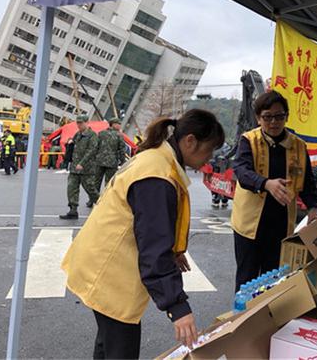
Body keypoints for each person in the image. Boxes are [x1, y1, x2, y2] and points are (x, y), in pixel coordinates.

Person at [61, 109, 225, 359]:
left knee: (108, 344)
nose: (209, 157)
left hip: (100, 262)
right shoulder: (158, 175)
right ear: (190, 141)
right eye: (209, 149)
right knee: (120, 349)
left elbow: (154, 232)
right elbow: (153, 245)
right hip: (110, 272)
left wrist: (173, 253)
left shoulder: (157, 159)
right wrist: (177, 306)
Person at [231, 91, 317, 292]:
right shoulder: (248, 141)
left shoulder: (298, 146)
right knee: (247, 279)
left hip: (281, 226)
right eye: (267, 117)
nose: (273, 122)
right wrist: (266, 183)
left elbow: (307, 183)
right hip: (250, 226)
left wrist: (314, 207)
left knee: (273, 281)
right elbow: (242, 172)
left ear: (287, 116)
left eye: (279, 116)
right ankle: (242, 320)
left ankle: (267, 322)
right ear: (258, 118)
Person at [59, 115, 99, 220]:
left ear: (87, 122)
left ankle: (103, 206)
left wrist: (82, 163)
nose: (79, 125)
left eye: (81, 123)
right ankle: (73, 210)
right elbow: (73, 147)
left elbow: (91, 151)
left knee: (90, 189)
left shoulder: (92, 135)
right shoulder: (78, 134)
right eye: (78, 123)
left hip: (86, 168)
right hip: (74, 167)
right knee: (71, 188)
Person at [94, 117, 126, 191]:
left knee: (96, 182)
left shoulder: (101, 133)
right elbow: (122, 150)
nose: (120, 126)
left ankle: (93, 199)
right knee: (109, 183)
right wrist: (123, 161)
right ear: (113, 124)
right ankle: (105, 200)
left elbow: (95, 146)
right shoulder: (119, 135)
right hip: (112, 163)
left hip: (99, 161)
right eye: (118, 124)